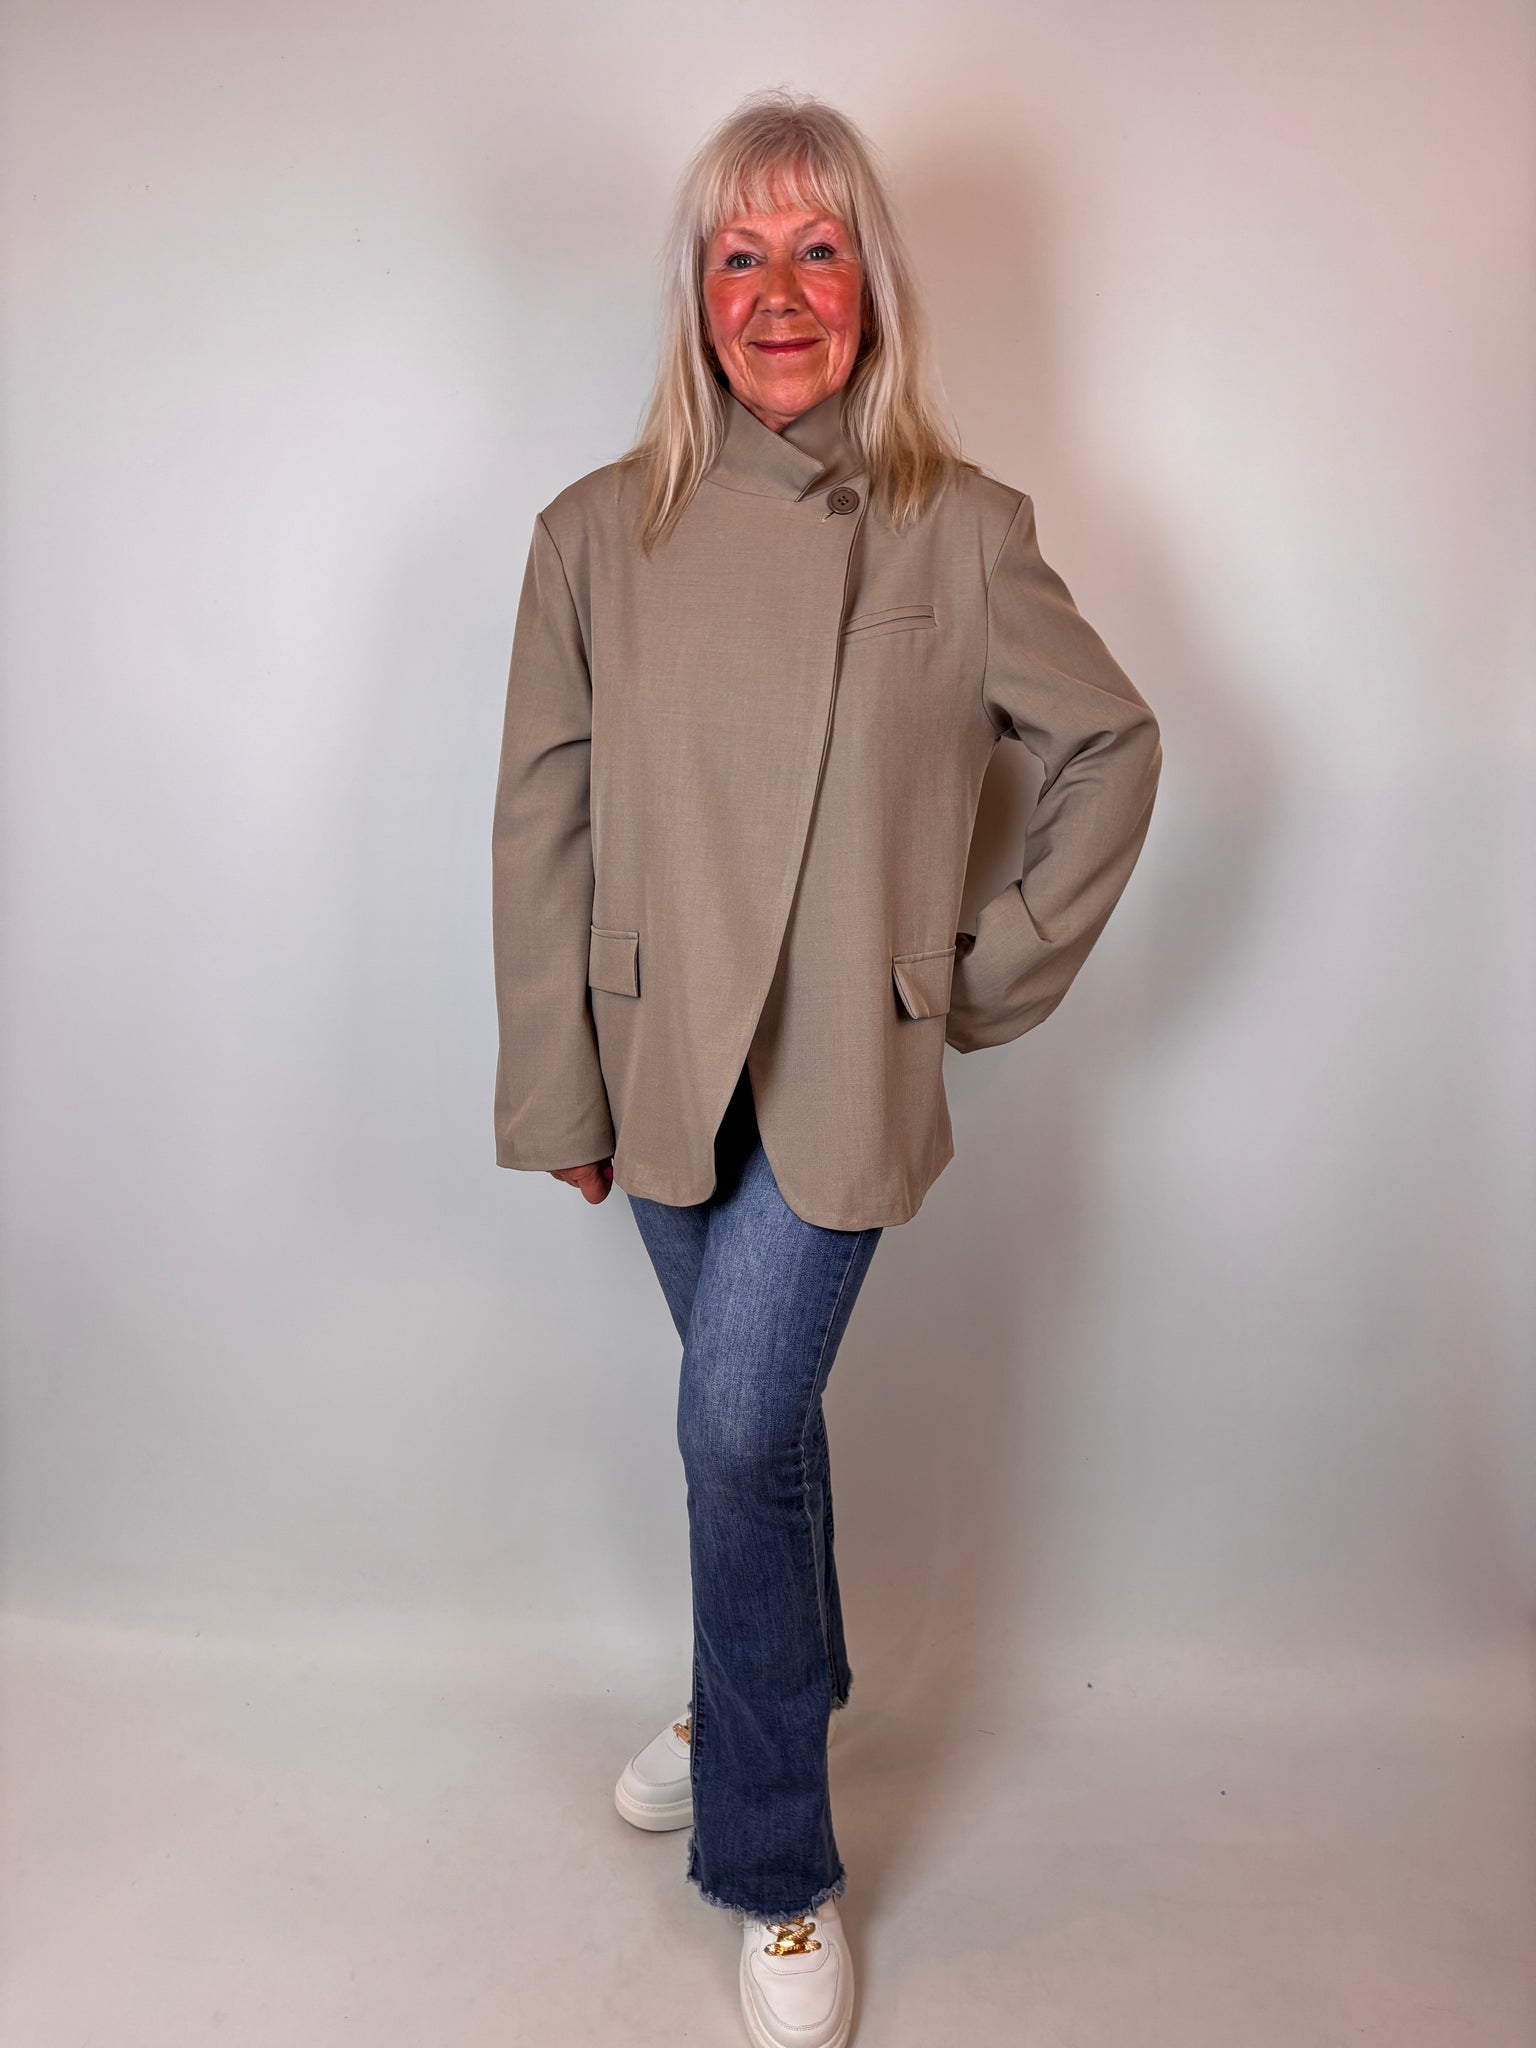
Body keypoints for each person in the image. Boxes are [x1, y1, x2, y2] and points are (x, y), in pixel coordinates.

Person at [491, 87, 1162, 2048]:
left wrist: (970, 979)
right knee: (759, 1433)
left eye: (817, 247)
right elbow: (542, 826)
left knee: (728, 1425)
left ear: (872, 283)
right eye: (739, 252)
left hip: (839, 1079)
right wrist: (558, 1087)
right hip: (658, 1061)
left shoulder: (963, 527)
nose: (778, 291)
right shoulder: (591, 535)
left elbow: (1110, 747)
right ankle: (753, 1697)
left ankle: (777, 1862)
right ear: (695, 293)